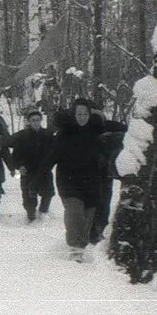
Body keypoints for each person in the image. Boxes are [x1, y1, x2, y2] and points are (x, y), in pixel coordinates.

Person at [40, 98, 108, 262]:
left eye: (85, 114)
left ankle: (80, 247)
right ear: (74, 114)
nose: (82, 117)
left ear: (89, 115)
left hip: (91, 182)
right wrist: (39, 177)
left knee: (87, 217)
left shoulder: (96, 133)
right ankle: (74, 248)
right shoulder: (65, 133)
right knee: (74, 211)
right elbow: (52, 156)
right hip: (68, 180)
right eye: (79, 113)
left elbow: (108, 148)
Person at [6, 109, 56, 222]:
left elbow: (55, 153)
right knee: (29, 199)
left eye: (38, 120)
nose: (36, 123)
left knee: (47, 193)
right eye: (33, 120)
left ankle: (43, 214)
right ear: (29, 121)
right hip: (28, 171)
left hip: (44, 171)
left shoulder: (47, 135)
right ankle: (31, 218)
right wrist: (19, 166)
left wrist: (49, 165)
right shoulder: (22, 136)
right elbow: (15, 156)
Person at [90, 102, 127, 244]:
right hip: (91, 170)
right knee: (98, 200)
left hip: (105, 170)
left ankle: (99, 231)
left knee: (104, 200)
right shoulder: (84, 129)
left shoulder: (111, 125)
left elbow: (125, 131)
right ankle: (94, 231)